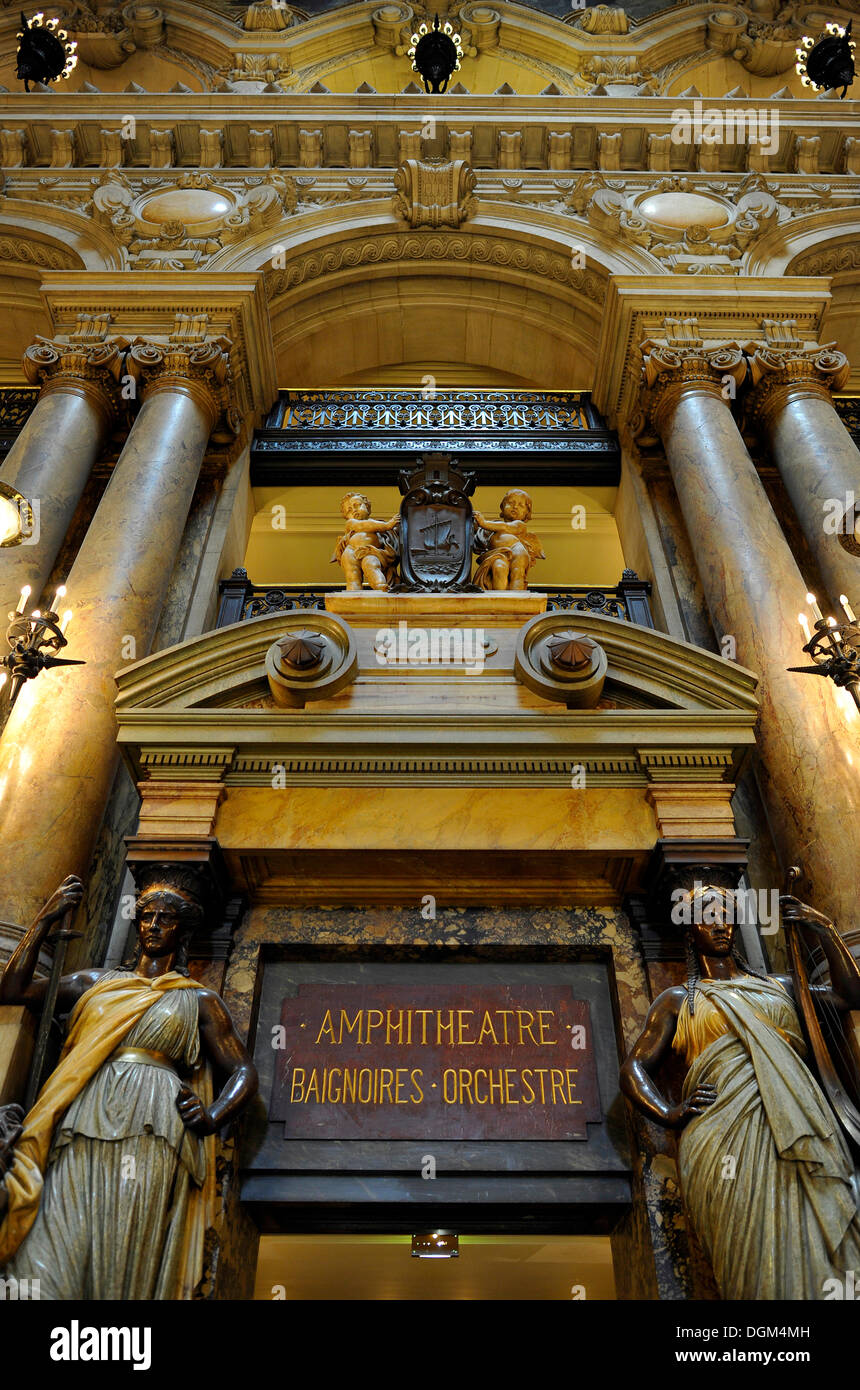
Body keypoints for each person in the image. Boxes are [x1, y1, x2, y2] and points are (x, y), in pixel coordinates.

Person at [0, 870, 258, 1299]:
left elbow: (244, 1072)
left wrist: (212, 1115)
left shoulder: (198, 1000)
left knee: (127, 1236)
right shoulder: (95, 983)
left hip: (154, 1125)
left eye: (165, 918)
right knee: (55, 1229)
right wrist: (44, 919)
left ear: (181, 930)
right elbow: (13, 989)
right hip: (83, 1113)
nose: (153, 925)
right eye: (146, 917)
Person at [620, 883, 860, 1299]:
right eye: (708, 917)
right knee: (749, 1249)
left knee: (817, 1221)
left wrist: (823, 928)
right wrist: (669, 1112)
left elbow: (850, 995)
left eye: (727, 916)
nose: (720, 925)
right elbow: (634, 1068)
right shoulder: (678, 1001)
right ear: (689, 930)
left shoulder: (781, 987)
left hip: (801, 1123)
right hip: (723, 1134)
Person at [472, 489, 544, 591]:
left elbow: (505, 527)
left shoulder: (520, 525)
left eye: (521, 505)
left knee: (517, 573)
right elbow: (479, 542)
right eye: (511, 503)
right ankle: (501, 598)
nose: (515, 507)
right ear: (502, 507)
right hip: (500, 554)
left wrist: (484, 523)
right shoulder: (493, 526)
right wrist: (476, 526)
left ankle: (517, 596)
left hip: (517, 550)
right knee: (499, 567)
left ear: (526, 514)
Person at [333, 492, 399, 591]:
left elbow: (383, 535)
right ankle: (353, 591)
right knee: (352, 573)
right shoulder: (351, 523)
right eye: (349, 510)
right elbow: (363, 525)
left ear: (367, 507)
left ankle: (380, 585)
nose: (354, 510)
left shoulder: (377, 526)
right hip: (350, 551)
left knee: (371, 564)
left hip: (370, 551)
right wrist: (387, 525)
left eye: (357, 505)